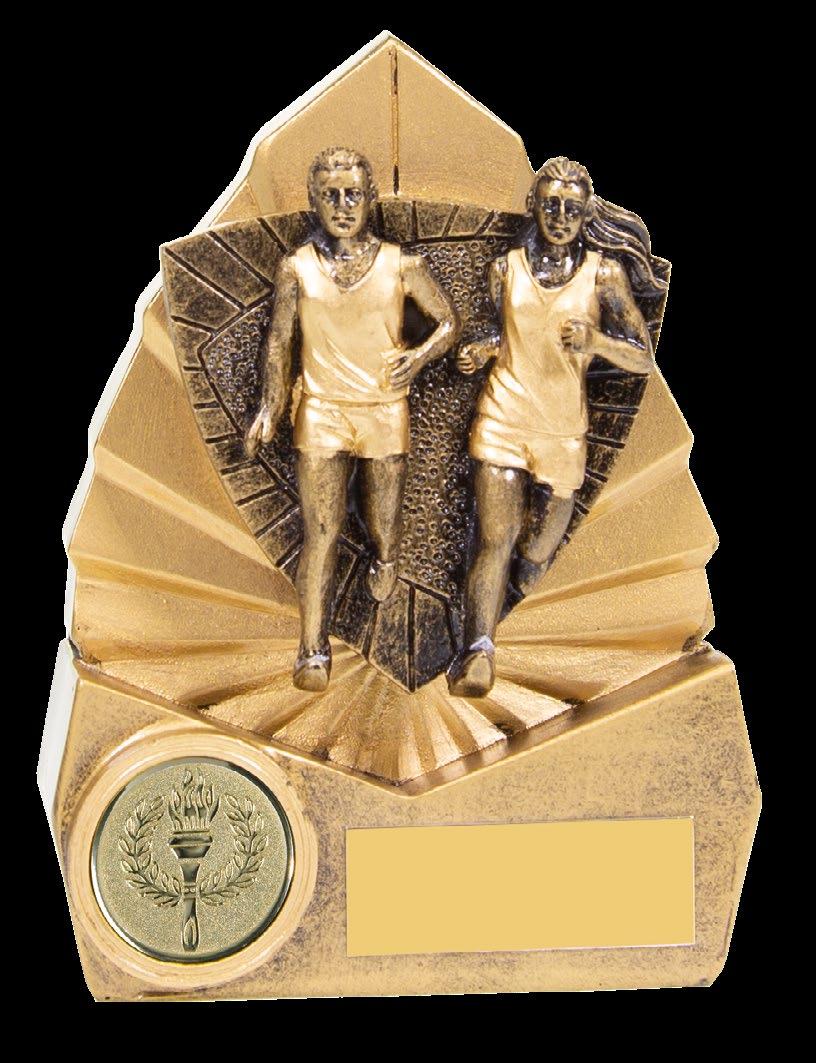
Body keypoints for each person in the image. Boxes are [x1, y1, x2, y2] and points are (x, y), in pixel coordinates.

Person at [447, 157, 663, 697]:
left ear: (586, 215)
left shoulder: (603, 276)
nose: (560, 217)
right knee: (494, 539)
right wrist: (486, 350)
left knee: (540, 549)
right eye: (551, 205)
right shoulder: (506, 269)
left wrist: (598, 341)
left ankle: (521, 585)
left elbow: (642, 356)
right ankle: (477, 651)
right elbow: (516, 333)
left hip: (562, 432)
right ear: (534, 207)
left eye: (571, 208)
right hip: (502, 418)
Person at [245, 147, 459, 692]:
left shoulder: (402, 265)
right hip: (321, 412)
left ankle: (384, 556)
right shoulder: (295, 268)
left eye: (353, 195)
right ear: (314, 201)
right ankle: (312, 648)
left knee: (383, 525)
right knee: (321, 532)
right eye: (331, 196)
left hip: (384, 412)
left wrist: (419, 356)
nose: (343, 206)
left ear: (370, 199)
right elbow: (279, 342)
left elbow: (448, 323)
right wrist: (270, 407)